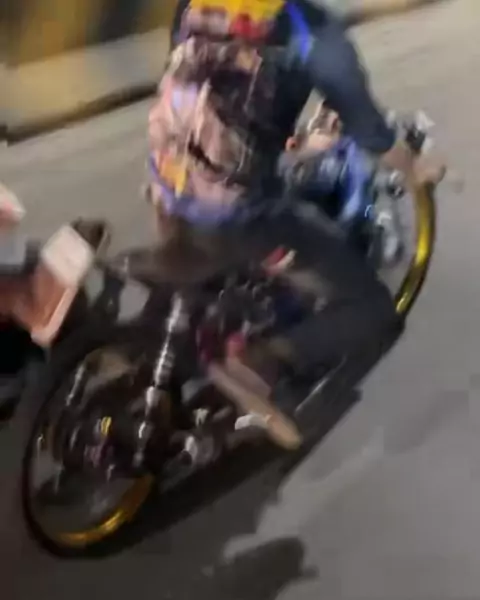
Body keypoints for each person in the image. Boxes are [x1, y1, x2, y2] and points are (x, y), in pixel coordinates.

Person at [146, 0, 445, 449]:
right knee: (372, 309)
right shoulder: (317, 38)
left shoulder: (197, 5)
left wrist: (293, 143)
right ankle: (262, 361)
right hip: (234, 218)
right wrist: (416, 167)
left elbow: (204, 94)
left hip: (166, 187)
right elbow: (373, 135)